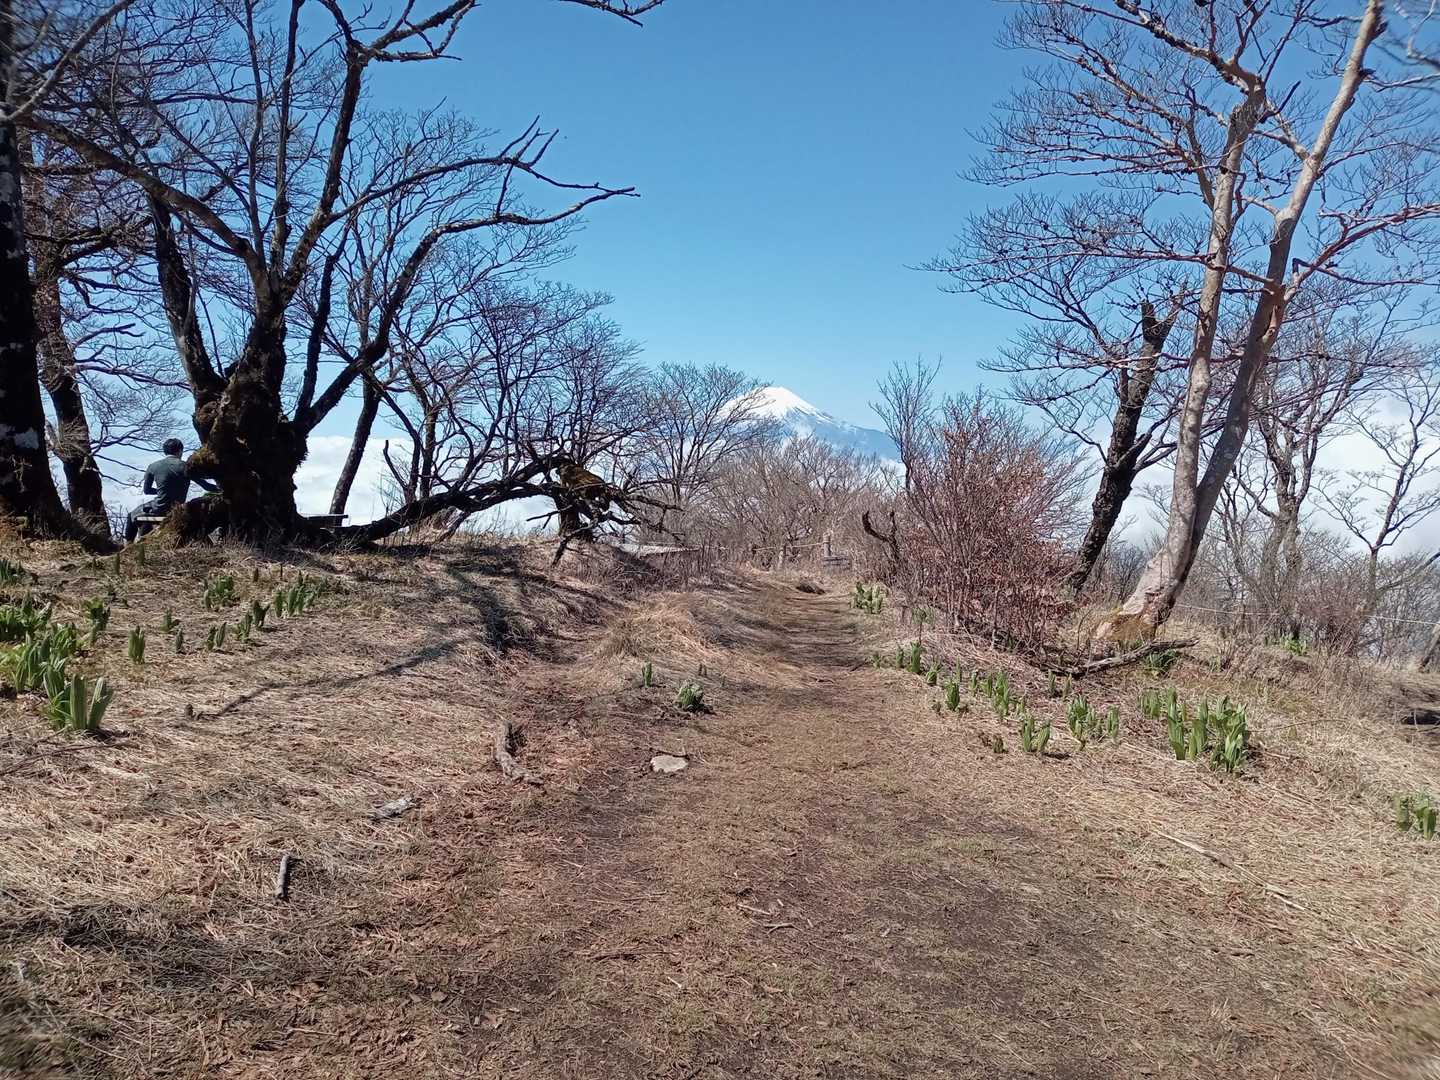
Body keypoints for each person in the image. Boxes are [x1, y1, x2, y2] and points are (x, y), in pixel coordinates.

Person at [125, 440, 218, 542]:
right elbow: (207, 486)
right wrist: (222, 488)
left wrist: (161, 491)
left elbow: (147, 490)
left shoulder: (153, 466)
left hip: (158, 508)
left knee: (131, 515)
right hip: (177, 508)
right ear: (180, 451)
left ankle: (128, 544)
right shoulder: (185, 466)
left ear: (165, 451)